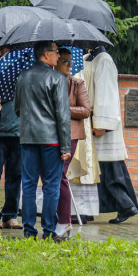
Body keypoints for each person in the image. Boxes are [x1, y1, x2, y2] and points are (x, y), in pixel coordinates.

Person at [14, 41, 71, 240]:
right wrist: (65, 146)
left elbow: (17, 109)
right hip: (52, 139)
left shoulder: (23, 76)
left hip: (28, 137)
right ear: (46, 54)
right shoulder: (58, 78)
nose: (59, 56)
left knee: (28, 184)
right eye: (56, 53)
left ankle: (29, 230)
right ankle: (48, 230)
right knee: (51, 185)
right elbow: (63, 115)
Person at [83, 45, 138, 223]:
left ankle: (126, 205)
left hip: (102, 123)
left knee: (109, 171)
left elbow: (106, 94)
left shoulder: (104, 60)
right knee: (101, 171)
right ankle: (114, 206)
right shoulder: (88, 58)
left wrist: (102, 124)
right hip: (92, 119)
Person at [0, 44, 33, 229]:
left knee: (16, 174)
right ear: (3, 51)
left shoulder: (28, 74)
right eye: (9, 50)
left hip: (21, 133)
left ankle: (10, 214)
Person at [53, 48, 90, 231]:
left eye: (70, 61)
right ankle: (55, 218)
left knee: (60, 175)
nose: (69, 65)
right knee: (51, 177)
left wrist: (64, 108)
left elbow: (86, 110)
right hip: (51, 135)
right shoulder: (49, 81)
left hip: (71, 135)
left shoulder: (77, 84)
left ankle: (65, 221)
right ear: (56, 62)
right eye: (65, 61)